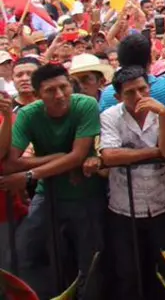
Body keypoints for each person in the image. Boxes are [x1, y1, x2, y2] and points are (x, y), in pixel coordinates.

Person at [4, 63, 104, 299]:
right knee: (22, 253)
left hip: (86, 196)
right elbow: (10, 163)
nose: (59, 95)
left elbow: (78, 156)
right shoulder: (29, 114)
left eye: (63, 87)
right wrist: (58, 158)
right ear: (38, 95)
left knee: (89, 261)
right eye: (50, 91)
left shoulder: (85, 105)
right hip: (47, 195)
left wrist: (30, 174)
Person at [99, 65, 165, 300]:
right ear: (118, 97)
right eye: (130, 92)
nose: (139, 97)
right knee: (129, 272)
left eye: (143, 89)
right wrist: (152, 152)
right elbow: (110, 156)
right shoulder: (110, 116)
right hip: (124, 208)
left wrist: (163, 116)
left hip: (161, 204)